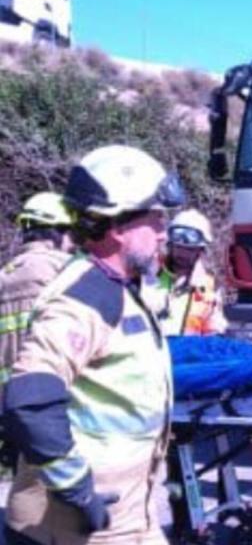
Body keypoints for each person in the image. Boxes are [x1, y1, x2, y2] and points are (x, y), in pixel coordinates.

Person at [3, 144, 184, 544]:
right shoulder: (84, 296)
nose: (163, 233)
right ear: (117, 227)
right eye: (155, 220)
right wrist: (77, 488)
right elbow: (29, 400)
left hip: (129, 514)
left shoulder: (120, 288)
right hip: (81, 523)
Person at [1, 192, 76, 377]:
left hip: (8, 397)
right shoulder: (66, 270)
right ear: (59, 231)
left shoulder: (4, 276)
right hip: (51, 391)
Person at [153, 209, 227, 336]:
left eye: (189, 250)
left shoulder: (209, 288)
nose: (182, 253)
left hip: (187, 354)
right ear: (170, 245)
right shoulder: (150, 275)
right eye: (178, 247)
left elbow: (214, 332)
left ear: (200, 250)